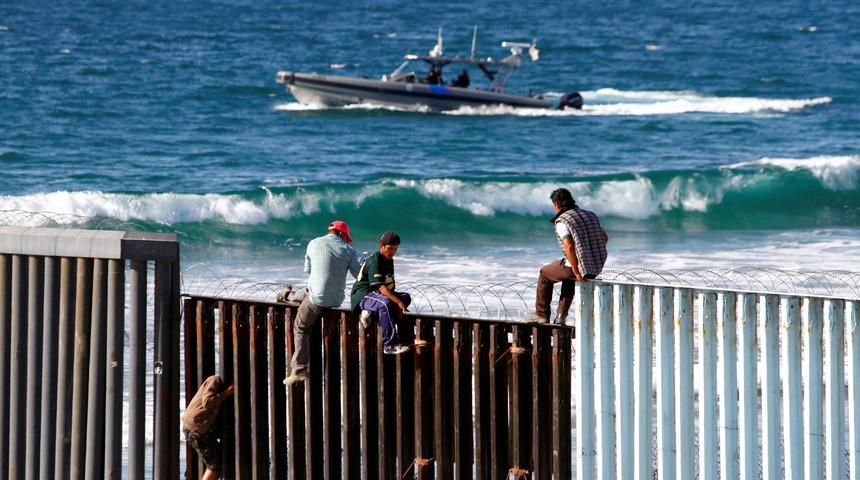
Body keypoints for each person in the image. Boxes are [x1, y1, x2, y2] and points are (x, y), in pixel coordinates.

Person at [284, 220, 360, 385]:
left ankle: (299, 369)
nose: (346, 240)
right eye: (346, 237)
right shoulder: (350, 251)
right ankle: (287, 295)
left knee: (301, 327)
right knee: (306, 293)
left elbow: (308, 270)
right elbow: (358, 275)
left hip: (316, 299)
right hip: (336, 300)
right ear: (341, 233)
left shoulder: (313, 243)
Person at [524, 188, 608, 323]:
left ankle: (541, 315)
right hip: (595, 267)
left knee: (545, 273)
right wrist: (591, 255)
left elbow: (569, 246)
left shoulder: (563, 221)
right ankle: (561, 317)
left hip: (579, 268)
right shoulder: (590, 215)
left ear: (556, 205)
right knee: (568, 276)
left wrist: (576, 269)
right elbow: (604, 238)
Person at [351, 231, 411, 354]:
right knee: (386, 303)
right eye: (390, 248)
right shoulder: (374, 260)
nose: (393, 252)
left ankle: (370, 313)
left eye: (395, 249)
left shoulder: (389, 259)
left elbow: (390, 284)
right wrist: (397, 302)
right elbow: (380, 287)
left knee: (406, 297)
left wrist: (399, 302)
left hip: (376, 295)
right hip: (364, 294)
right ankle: (389, 345)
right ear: (382, 246)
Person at [182, 375, 235, 480]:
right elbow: (207, 402)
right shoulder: (214, 380)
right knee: (215, 465)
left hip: (197, 428)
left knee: (219, 456)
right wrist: (227, 393)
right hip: (196, 429)